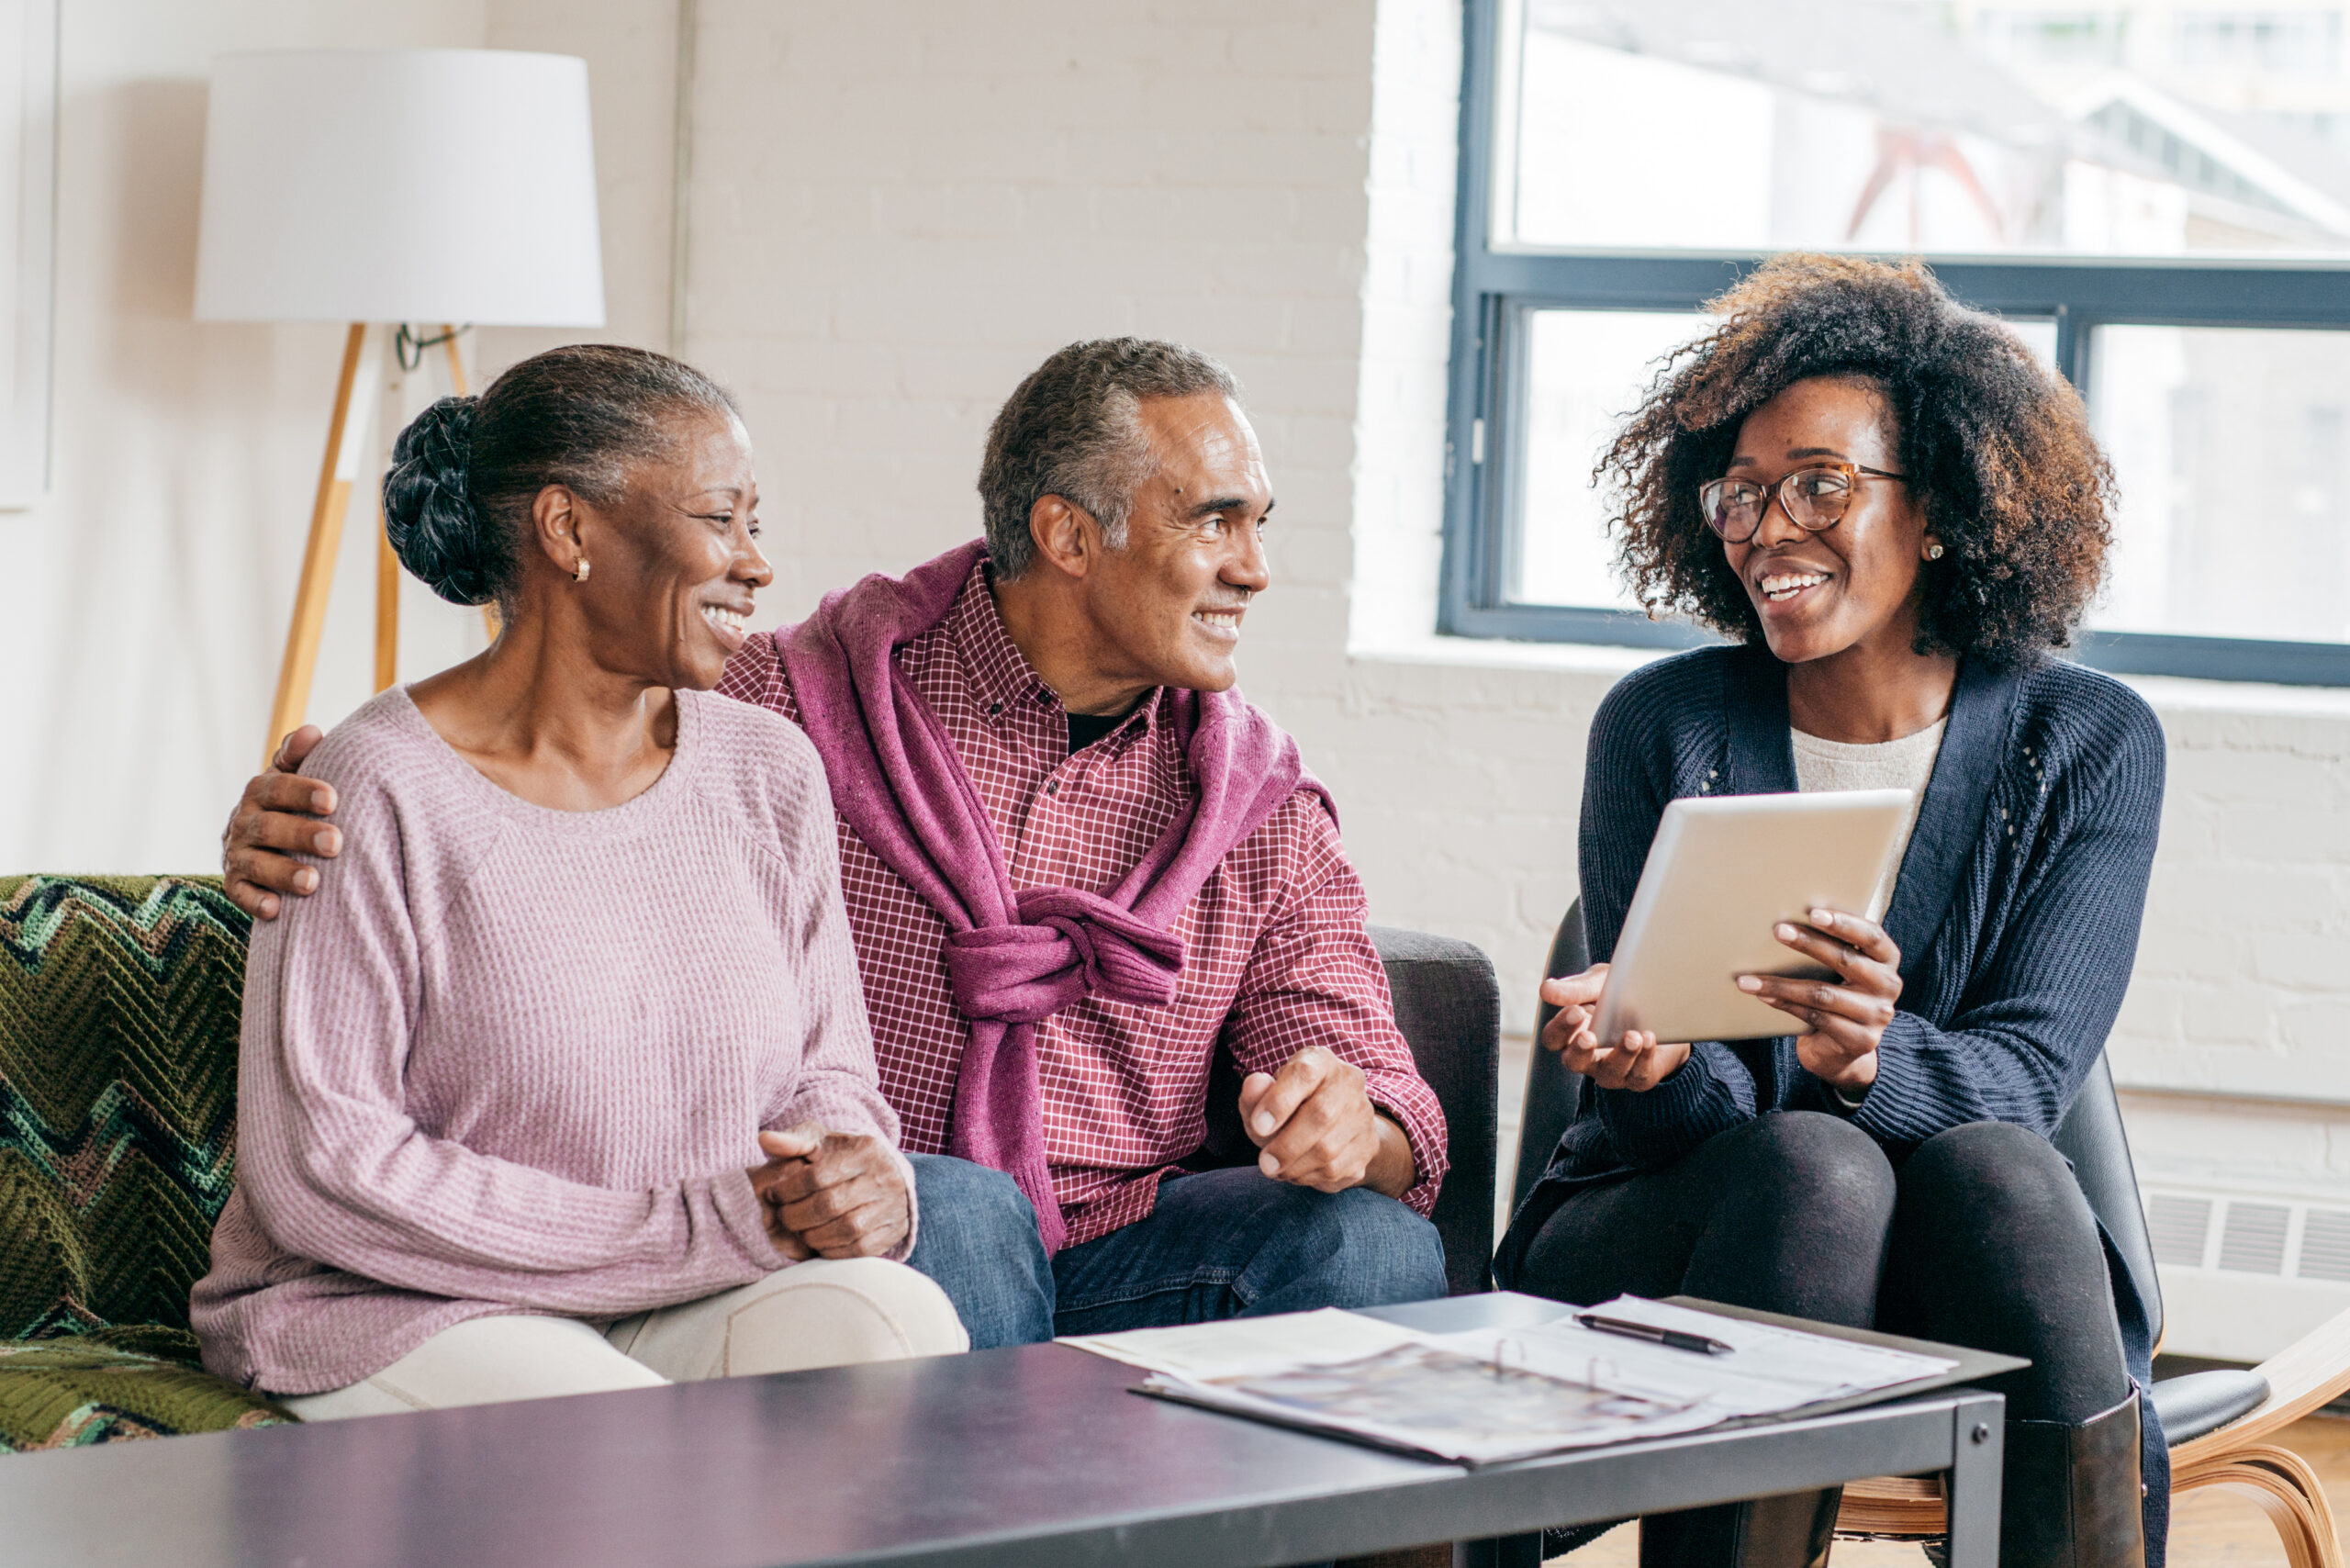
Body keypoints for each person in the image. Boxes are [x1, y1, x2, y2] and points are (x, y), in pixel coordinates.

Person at [221, 338, 1450, 1350]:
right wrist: (315, 796)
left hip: (1137, 1249)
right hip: (886, 1238)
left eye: (1261, 525)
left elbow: (1365, 1069)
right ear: (1071, 539)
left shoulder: (1261, 807)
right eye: (1217, 524)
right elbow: (550, 753)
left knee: (1376, 1240)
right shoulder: (789, 706)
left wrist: (1356, 1122)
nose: (1257, 570)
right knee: (959, 1210)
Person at [1495, 256, 2165, 1568]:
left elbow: (2028, 1081)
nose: (1763, 527)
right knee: (1817, 1169)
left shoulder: (2086, 741)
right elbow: (1668, 1127)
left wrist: (1871, 1057)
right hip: (1678, 1235)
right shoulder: (1664, 724)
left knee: (2001, 1168)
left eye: (1821, 484)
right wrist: (1658, 1062)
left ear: (1944, 513)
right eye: (1740, 493)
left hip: (1968, 1264)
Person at [193, 345, 967, 1418]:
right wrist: (701, 1226)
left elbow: (826, 1078)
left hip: (683, 1288)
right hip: (403, 1303)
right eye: (718, 518)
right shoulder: (367, 791)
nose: (755, 563)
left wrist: (853, 1171)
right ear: (569, 530)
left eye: (758, 523)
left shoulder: (769, 770)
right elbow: (329, 1170)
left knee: (903, 1325)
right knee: (611, 1439)